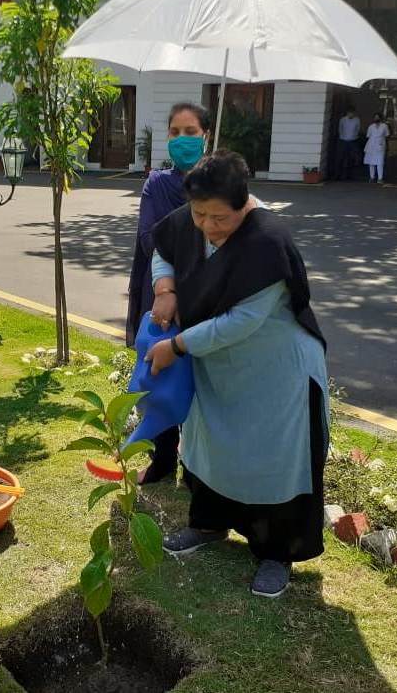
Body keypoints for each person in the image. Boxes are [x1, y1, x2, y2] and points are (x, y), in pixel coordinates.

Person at [146, 150, 329, 599]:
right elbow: (162, 249)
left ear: (244, 203)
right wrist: (165, 289)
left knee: (273, 462)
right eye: (199, 214)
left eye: (220, 218)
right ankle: (208, 526)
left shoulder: (267, 240)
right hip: (220, 367)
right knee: (213, 449)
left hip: (274, 372)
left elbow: (241, 322)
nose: (208, 226)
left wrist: (176, 345)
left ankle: (275, 554)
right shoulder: (197, 216)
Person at [126, 102, 210, 485]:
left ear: (206, 135)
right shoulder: (158, 184)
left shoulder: (220, 182)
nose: (182, 140)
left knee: (202, 378)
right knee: (162, 374)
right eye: (174, 132)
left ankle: (198, 468)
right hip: (162, 292)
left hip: (207, 295)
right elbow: (149, 237)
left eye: (190, 132)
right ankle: (163, 460)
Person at [335, 106, 361, 180]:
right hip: (343, 141)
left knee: (351, 159)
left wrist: (354, 137)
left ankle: (349, 175)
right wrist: (342, 137)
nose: (351, 115)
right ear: (347, 113)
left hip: (353, 141)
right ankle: (338, 175)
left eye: (352, 113)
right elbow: (340, 129)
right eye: (350, 113)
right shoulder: (343, 120)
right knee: (340, 158)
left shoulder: (357, 120)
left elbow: (358, 129)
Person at [364, 113, 390, 183]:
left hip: (380, 145)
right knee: (371, 162)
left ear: (380, 118)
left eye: (377, 117)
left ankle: (380, 178)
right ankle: (372, 177)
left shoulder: (384, 126)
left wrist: (387, 146)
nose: (376, 118)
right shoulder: (371, 126)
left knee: (380, 162)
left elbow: (387, 136)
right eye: (375, 117)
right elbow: (368, 136)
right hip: (371, 146)